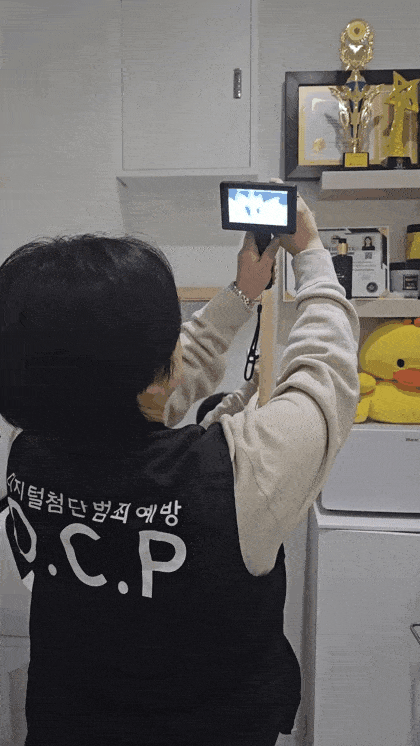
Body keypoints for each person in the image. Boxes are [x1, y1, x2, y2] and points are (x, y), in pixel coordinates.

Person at [0, 186, 360, 746]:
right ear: (161, 370)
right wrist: (312, 255)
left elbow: (136, 386)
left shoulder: (28, 453)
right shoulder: (239, 477)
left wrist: (242, 294)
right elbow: (324, 376)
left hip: (64, 723)